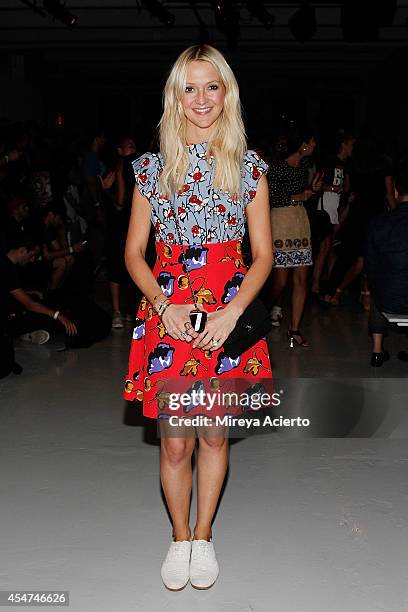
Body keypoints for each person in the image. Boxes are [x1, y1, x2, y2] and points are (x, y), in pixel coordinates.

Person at [123, 44, 273, 590]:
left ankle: (204, 536)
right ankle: (179, 537)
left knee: (213, 436)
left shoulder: (249, 166)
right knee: (175, 439)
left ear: (226, 93)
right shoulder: (150, 168)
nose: (202, 98)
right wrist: (166, 305)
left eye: (212, 86)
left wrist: (232, 313)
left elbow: (263, 256)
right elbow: (134, 254)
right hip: (171, 313)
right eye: (190, 87)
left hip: (226, 314)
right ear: (175, 96)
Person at [320, 135, 395, 310]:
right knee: (368, 259)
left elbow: (347, 189)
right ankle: (355, 293)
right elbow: (389, 194)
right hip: (376, 215)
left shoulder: (353, 164)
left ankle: (332, 291)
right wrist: (396, 212)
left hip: (357, 213)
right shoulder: (384, 164)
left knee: (346, 257)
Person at [267, 128, 323, 345]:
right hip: (280, 222)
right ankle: (260, 314)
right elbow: (272, 197)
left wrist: (312, 189)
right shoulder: (277, 168)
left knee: (301, 278)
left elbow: (303, 194)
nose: (314, 145)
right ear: (303, 144)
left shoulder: (303, 167)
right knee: (280, 281)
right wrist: (301, 195)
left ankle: (295, 329)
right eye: (312, 141)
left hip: (300, 221)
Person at [365, 157, 408, 366]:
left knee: (379, 283)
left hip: (388, 299)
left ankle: (376, 350)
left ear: (397, 194)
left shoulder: (380, 222)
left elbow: (371, 265)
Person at [311, 132, 355, 296]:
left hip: (336, 208)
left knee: (331, 247)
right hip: (324, 207)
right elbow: (315, 184)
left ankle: (330, 282)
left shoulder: (347, 165)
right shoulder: (329, 161)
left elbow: (345, 187)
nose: (353, 148)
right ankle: (315, 284)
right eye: (351, 144)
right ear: (343, 144)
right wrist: (330, 188)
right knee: (325, 246)